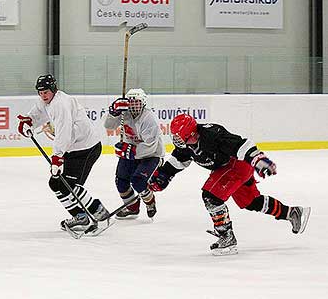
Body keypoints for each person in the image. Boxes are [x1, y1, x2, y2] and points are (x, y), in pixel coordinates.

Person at [149, 114, 311, 255]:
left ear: (191, 134)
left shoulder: (212, 135)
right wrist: (163, 175)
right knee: (251, 202)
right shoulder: (186, 145)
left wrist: (258, 159)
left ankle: (226, 236)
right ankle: (292, 213)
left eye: (178, 136)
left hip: (236, 165)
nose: (176, 140)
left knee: (211, 196)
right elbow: (178, 160)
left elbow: (241, 145)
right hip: (229, 169)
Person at [17, 74, 109, 232]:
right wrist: (28, 121)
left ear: (53, 89)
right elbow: (38, 113)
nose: (42, 95)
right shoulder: (47, 101)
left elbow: (64, 133)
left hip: (86, 148)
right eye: (40, 92)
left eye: (45, 92)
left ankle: (98, 211)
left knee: (70, 185)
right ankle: (81, 216)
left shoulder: (61, 104)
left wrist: (57, 157)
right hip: (73, 149)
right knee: (56, 183)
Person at [103, 88, 164, 219]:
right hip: (130, 151)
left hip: (151, 155)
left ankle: (150, 202)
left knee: (138, 182)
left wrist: (131, 151)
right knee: (121, 181)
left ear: (144, 103)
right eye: (131, 102)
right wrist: (113, 112)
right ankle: (132, 207)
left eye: (137, 102)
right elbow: (109, 126)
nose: (134, 105)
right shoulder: (124, 113)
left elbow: (151, 146)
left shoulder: (149, 119)